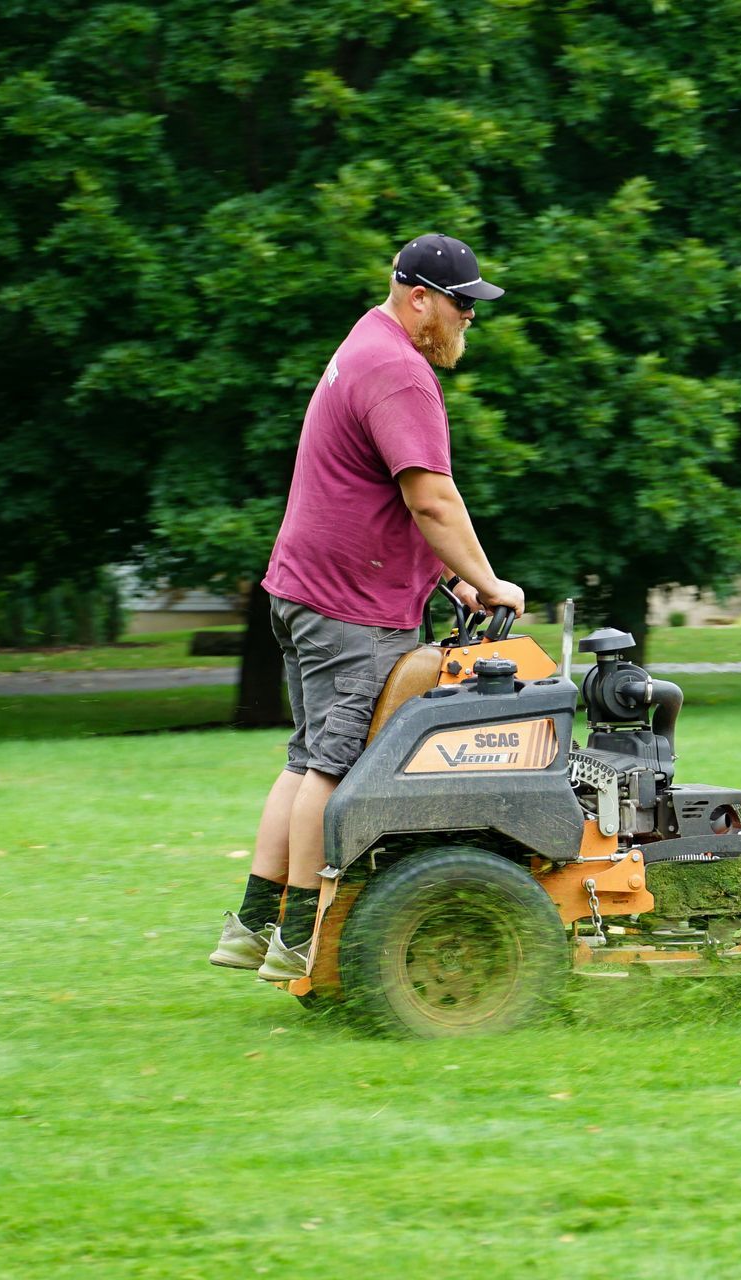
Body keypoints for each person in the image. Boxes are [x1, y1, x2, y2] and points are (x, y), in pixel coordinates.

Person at [208, 233, 526, 982]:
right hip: (351, 605)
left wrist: (453, 584)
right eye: (461, 307)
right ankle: (303, 940)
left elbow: (370, 496)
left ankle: (254, 925)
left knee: (307, 758)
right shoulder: (401, 373)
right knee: (339, 769)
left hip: (306, 590)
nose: (468, 322)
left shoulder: (363, 341)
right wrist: (491, 579)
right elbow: (431, 499)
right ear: (420, 298)